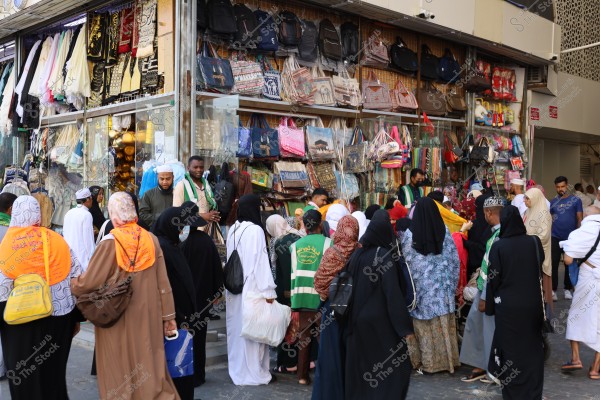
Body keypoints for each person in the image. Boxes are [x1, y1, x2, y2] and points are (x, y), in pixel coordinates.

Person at [71, 192, 179, 399]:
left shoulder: (109, 243)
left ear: (113, 214)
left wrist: (73, 284)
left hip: (116, 314)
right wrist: (169, 317)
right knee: (147, 359)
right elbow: (163, 283)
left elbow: (90, 282)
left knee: (119, 362)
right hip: (148, 315)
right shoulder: (152, 239)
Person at [0, 196, 83, 400]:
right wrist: (77, 317)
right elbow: (77, 277)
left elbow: (2, 288)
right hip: (58, 318)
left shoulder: (7, 243)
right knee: (53, 374)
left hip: (19, 321)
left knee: (24, 375)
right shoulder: (57, 239)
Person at [344, 210, 414, 399]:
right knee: (394, 368)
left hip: (357, 322)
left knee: (364, 368)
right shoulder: (383, 255)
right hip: (381, 323)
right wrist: (404, 327)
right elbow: (392, 294)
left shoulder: (357, 254)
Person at [485, 206, 545, 398]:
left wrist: (490, 307)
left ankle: (513, 392)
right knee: (532, 351)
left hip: (509, 309)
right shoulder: (534, 242)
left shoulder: (499, 246)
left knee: (510, 351)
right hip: (532, 305)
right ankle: (532, 392)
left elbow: (493, 278)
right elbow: (539, 265)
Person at [153, 202, 207, 399]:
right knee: (175, 370)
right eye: (181, 227)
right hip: (174, 318)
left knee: (181, 367)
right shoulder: (161, 248)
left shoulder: (171, 246)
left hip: (182, 318)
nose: (184, 231)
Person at [401, 197, 460, 374]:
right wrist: (453, 284)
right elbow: (454, 260)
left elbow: (407, 262)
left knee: (424, 327)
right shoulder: (445, 231)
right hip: (443, 291)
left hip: (422, 292)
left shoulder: (409, 236)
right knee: (443, 325)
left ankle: (427, 364)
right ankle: (449, 362)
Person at [225, 194, 277, 385]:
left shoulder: (233, 230)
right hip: (253, 288)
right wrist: (269, 291)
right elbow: (261, 262)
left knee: (238, 330)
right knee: (254, 333)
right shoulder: (255, 230)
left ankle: (238, 369)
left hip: (234, 288)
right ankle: (255, 372)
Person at [312, 215, 359, 399]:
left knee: (330, 357)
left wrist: (327, 294)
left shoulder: (332, 253)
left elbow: (320, 281)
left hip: (332, 311)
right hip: (353, 312)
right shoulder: (360, 252)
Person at [459, 196, 503, 383]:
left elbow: (492, 267)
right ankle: (483, 365)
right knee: (478, 326)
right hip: (486, 288)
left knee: (483, 328)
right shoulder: (497, 233)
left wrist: (484, 294)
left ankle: (487, 367)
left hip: (488, 290)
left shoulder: (498, 236)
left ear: (488, 213)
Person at [181, 208, 225, 387]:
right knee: (201, 337)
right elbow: (217, 269)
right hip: (205, 299)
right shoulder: (208, 243)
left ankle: (188, 373)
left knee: (188, 336)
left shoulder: (184, 245)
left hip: (188, 300)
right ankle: (200, 374)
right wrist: (216, 293)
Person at [290, 209, 331, 385]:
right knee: (325, 340)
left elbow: (293, 275)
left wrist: (294, 302)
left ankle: (302, 376)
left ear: (304, 226)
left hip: (301, 298)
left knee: (304, 339)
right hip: (320, 299)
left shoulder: (295, 246)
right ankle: (327, 377)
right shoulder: (328, 243)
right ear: (320, 224)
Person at [559, 205, 600, 378]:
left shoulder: (579, 233)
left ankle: (576, 358)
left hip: (588, 278)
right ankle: (595, 369)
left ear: (585, 217)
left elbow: (568, 260)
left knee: (576, 316)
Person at [266, 214, 303, 375]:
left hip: (286, 292)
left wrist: (287, 292)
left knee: (287, 327)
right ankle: (304, 361)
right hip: (303, 290)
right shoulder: (299, 236)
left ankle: (288, 363)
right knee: (300, 326)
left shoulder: (281, 242)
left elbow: (286, 270)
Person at [550, 176, 583, 301]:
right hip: (555, 236)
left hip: (571, 238)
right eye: (558, 187)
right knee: (553, 263)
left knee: (569, 263)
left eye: (562, 186)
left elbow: (579, 218)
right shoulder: (553, 202)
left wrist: (578, 235)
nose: (560, 189)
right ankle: (553, 290)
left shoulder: (576, 200)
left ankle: (567, 289)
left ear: (567, 186)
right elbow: (549, 219)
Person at [524, 188, 553, 309]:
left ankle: (542, 317)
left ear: (535, 199)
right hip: (528, 254)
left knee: (541, 290)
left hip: (540, 257)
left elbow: (543, 237)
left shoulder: (544, 215)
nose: (525, 201)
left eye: (527, 198)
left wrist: (526, 241)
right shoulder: (527, 212)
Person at [173, 156, 220, 230]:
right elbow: (177, 212)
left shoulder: (206, 184)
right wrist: (204, 216)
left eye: (201, 167)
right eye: (195, 167)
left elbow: (210, 204)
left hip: (207, 230)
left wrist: (213, 214)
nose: (199, 170)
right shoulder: (181, 185)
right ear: (188, 168)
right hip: (189, 232)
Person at [62, 188, 95, 272]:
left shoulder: (69, 213)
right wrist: (93, 261)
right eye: (91, 198)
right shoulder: (86, 215)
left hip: (69, 257)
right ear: (87, 199)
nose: (92, 200)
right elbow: (89, 242)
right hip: (82, 260)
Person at [462, 191, 493, 278]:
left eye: (477, 207)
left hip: (479, 267)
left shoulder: (474, 224)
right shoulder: (495, 222)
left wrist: (466, 242)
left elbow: (482, 248)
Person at [139, 164, 175, 229]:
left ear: (173, 177)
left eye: (168, 179)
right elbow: (142, 215)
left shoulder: (177, 194)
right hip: (155, 232)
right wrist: (161, 217)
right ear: (157, 178)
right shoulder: (148, 194)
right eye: (162, 179)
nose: (165, 182)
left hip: (173, 232)